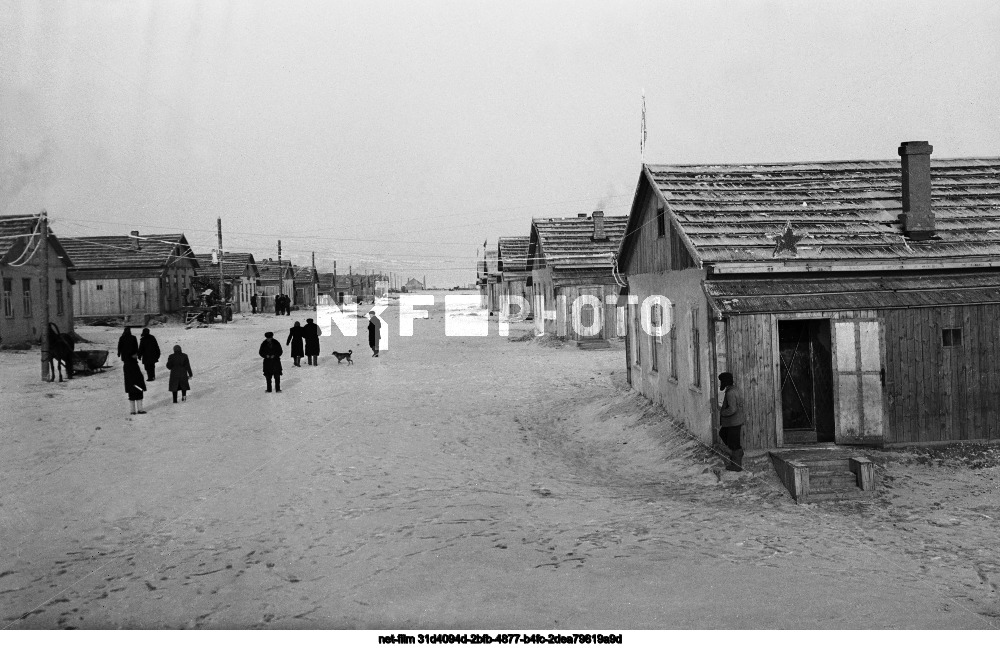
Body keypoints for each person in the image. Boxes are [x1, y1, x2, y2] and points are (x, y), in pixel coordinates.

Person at [719, 372, 746, 471]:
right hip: (735, 421)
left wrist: (723, 413)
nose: (720, 383)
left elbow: (732, 409)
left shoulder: (730, 392)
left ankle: (737, 465)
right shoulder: (734, 389)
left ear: (725, 382)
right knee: (723, 434)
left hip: (733, 422)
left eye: (721, 381)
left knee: (734, 444)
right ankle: (736, 454)